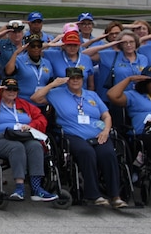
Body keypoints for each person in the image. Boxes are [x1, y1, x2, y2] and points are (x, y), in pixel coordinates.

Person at [31, 67, 127, 208]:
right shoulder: (57, 93)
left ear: (83, 80)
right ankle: (94, 195)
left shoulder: (92, 95)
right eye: (72, 78)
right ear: (67, 80)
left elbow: (106, 116)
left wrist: (106, 130)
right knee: (86, 153)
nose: (75, 80)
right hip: (73, 134)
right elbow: (35, 98)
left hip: (97, 133)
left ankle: (115, 196)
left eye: (78, 78)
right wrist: (53, 84)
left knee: (108, 154)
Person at [0, 78, 57, 201]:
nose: (11, 92)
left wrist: (31, 126)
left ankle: (37, 189)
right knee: (17, 148)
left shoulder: (24, 104)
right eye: (8, 89)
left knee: (36, 146)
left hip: (24, 136)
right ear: (2, 90)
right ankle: (19, 187)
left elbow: (41, 118)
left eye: (14, 90)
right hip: (1, 138)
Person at [3, 34, 54, 105]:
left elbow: (50, 83)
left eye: (39, 46)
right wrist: (16, 53)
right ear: (27, 47)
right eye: (33, 46)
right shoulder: (19, 60)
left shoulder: (47, 63)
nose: (36, 48)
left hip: (41, 102)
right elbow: (8, 72)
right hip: (23, 102)